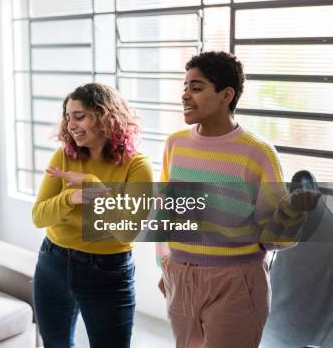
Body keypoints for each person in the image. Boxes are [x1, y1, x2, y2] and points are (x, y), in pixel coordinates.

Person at [156, 51, 321, 348]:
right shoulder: (175, 144)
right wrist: (165, 266)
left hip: (235, 282)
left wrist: (294, 212)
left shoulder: (257, 152)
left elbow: (273, 238)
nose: (185, 95)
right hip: (179, 277)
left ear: (226, 95)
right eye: (184, 87)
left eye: (196, 87)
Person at [32, 83, 153, 348]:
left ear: (105, 116)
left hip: (108, 271)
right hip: (53, 262)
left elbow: (129, 231)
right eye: (67, 117)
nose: (71, 124)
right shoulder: (63, 156)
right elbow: (39, 216)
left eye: (79, 116)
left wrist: (91, 184)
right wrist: (69, 197)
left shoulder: (137, 166)